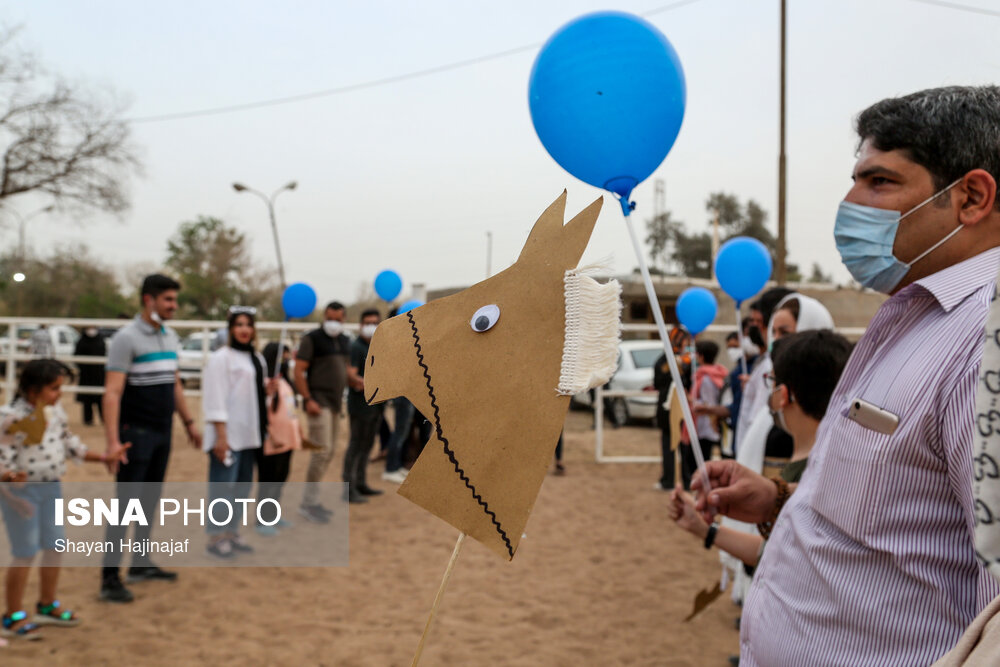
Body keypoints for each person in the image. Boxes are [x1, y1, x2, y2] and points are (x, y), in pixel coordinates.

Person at [694, 86, 1000, 665]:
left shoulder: (985, 341)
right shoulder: (915, 312)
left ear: (971, 197)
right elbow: (907, 521)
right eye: (856, 179)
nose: (851, 201)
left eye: (879, 182)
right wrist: (780, 498)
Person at [670, 330, 852, 567]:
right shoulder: (845, 464)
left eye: (771, 381)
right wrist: (703, 529)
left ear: (783, 395)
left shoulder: (814, 469)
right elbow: (772, 552)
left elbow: (782, 560)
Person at [0, 360, 129, 639]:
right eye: (54, 388)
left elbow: (72, 445)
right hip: (22, 494)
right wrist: (11, 490)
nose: (59, 394)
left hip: (52, 488)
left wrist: (105, 457)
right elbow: (2, 464)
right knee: (24, 552)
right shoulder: (9, 418)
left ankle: (47, 604)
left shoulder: (55, 413)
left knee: (55, 545)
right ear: (33, 389)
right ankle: (12, 615)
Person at [100, 274, 201, 603]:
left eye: (174, 300)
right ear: (149, 300)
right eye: (168, 300)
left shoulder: (170, 336)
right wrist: (113, 441)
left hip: (163, 432)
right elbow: (112, 393)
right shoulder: (125, 339)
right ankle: (109, 577)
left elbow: (174, 384)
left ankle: (140, 563)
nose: (174, 306)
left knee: (149, 501)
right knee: (126, 506)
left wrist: (188, 423)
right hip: (135, 434)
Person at [201, 307, 269, 558]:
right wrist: (221, 436)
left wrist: (268, 389)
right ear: (230, 329)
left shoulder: (256, 358)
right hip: (227, 435)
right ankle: (215, 536)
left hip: (249, 434)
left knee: (241, 488)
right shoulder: (221, 358)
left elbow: (255, 394)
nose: (244, 330)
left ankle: (232, 531)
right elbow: (215, 398)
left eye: (248, 325)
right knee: (222, 486)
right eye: (239, 325)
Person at [294, 301, 350, 523]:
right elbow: (298, 371)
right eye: (330, 318)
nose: (333, 323)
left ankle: (312, 501)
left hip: (336, 404)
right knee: (321, 452)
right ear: (324, 317)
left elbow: (346, 370)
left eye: (337, 319)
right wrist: (308, 399)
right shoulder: (312, 339)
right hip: (319, 402)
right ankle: (308, 503)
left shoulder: (344, 340)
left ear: (343, 319)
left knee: (331, 451)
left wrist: (357, 381)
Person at [255, 341, 301, 535]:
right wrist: (266, 393)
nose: (286, 360)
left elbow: (290, 410)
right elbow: (260, 409)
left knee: (281, 479)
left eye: (288, 357)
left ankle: (273, 515)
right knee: (268, 480)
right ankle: (261, 520)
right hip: (270, 441)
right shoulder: (264, 383)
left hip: (288, 440)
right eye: (283, 356)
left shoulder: (285, 382)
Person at [343, 309, 384, 503]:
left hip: (376, 405)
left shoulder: (379, 346)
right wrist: (367, 383)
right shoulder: (356, 347)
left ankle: (360, 483)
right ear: (361, 325)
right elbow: (350, 375)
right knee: (356, 445)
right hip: (360, 405)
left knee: (367, 445)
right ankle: (348, 487)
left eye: (375, 322)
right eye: (368, 322)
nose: (371, 326)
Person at [681, 340, 726, 490]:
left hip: (703, 426)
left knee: (699, 461)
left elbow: (707, 403)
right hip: (706, 426)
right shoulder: (716, 374)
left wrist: (691, 400)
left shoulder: (706, 378)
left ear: (700, 356)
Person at [653, 327, 690, 490]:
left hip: (677, 408)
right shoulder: (671, 361)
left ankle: (680, 480)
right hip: (672, 408)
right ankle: (674, 480)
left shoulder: (667, 360)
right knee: (675, 444)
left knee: (679, 444)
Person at [73, 326, 106, 426]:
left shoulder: (100, 340)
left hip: (99, 374)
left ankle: (104, 419)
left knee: (100, 398)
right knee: (87, 399)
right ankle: (88, 420)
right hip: (86, 374)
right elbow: (76, 356)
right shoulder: (81, 341)